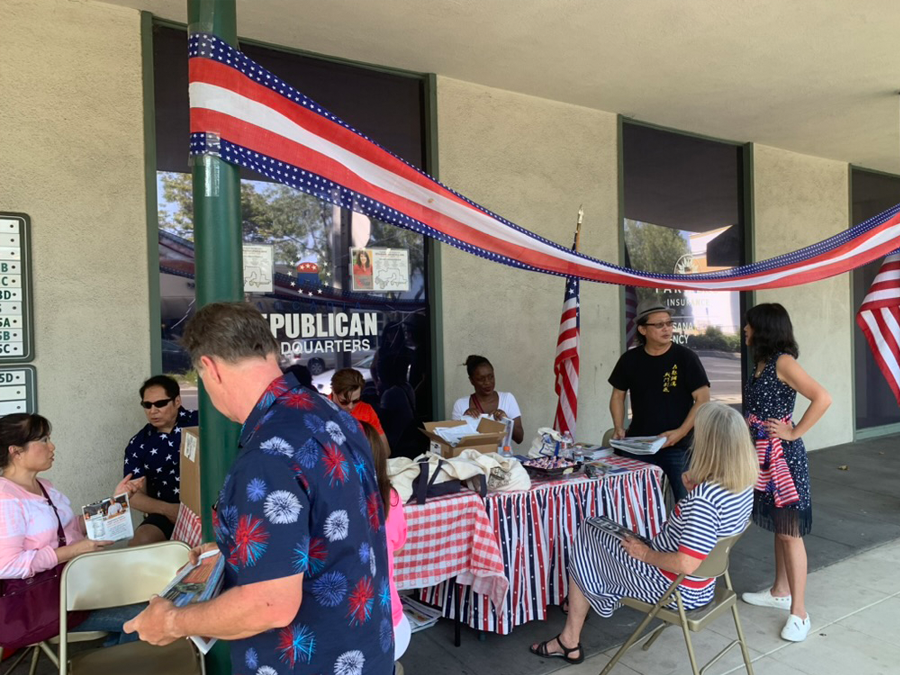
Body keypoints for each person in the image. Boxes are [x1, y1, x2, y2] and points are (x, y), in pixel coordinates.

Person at [125, 302, 393, 675]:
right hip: (366, 649)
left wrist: (171, 621)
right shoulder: (333, 415)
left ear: (210, 368)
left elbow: (270, 605)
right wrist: (234, 548)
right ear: (268, 350)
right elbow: (327, 530)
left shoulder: (268, 455)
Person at [530, 402, 757, 664]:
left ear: (710, 446)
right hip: (702, 586)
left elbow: (687, 562)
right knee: (597, 531)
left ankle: (569, 638)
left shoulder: (704, 501)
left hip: (673, 589)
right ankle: (583, 596)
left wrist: (645, 553)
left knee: (587, 532)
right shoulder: (742, 485)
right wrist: (695, 487)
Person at [0, 413, 145, 643]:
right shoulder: (6, 499)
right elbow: (7, 565)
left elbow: (71, 526)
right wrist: (74, 551)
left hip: (79, 589)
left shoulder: (44, 486)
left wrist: (116, 501)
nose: (52, 446)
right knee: (143, 617)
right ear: (16, 451)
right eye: (44, 440)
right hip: (49, 604)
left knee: (149, 599)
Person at [739, 303, 831, 643]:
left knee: (791, 531)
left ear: (763, 328)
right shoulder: (762, 363)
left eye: (748, 326)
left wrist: (794, 432)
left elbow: (822, 398)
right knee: (780, 526)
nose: (744, 331)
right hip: (763, 454)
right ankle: (780, 591)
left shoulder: (783, 362)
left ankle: (800, 612)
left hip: (783, 459)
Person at [609, 297, 711, 503]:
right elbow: (617, 395)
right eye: (659, 325)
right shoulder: (630, 359)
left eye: (669, 323)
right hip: (639, 444)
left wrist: (679, 433)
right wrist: (619, 426)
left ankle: (687, 536)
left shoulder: (685, 357)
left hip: (679, 446)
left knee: (687, 502)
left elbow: (703, 399)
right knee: (640, 503)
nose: (666, 329)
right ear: (642, 330)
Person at [123, 375, 198, 546]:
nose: (153, 410)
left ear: (177, 401)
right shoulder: (139, 443)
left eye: (160, 403)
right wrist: (167, 509)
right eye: (147, 405)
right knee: (140, 541)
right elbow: (133, 495)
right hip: (167, 512)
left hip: (211, 507)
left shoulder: (200, 423)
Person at [361, 422, 410, 666]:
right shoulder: (391, 497)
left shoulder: (331, 505)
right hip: (391, 618)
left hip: (358, 629)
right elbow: (398, 545)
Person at [451, 355, 524, 445]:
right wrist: (465, 419)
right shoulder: (461, 405)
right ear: (471, 381)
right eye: (481, 379)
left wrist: (506, 420)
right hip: (473, 457)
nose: (488, 382)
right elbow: (453, 442)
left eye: (491, 377)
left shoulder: (507, 399)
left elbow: (519, 438)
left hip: (501, 458)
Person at [331, 368, 386, 438]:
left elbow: (381, 444)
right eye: (344, 402)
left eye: (355, 401)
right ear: (333, 391)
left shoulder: (367, 411)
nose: (350, 407)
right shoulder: (321, 408)